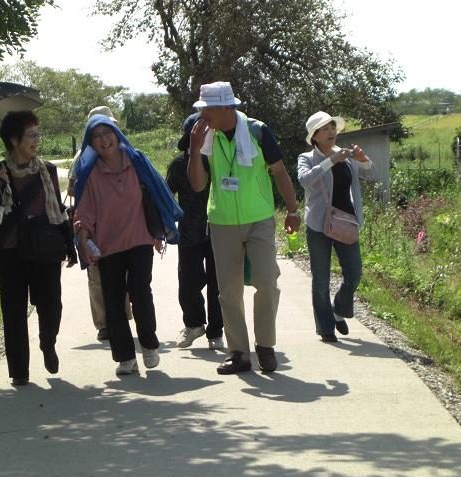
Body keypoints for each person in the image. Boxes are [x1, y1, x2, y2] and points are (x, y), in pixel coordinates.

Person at [187, 81, 301, 374]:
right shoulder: (205, 137)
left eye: (208, 109)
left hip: (259, 218)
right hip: (222, 220)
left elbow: (279, 172)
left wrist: (292, 210)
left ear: (226, 107)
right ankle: (238, 352)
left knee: (265, 280)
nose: (203, 115)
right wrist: (194, 149)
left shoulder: (257, 131)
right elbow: (198, 184)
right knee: (228, 290)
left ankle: (265, 346)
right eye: (201, 109)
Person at [73, 114, 183, 375]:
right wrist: (84, 237)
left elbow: (157, 193)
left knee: (140, 293)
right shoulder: (89, 174)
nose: (103, 140)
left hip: (139, 240)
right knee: (113, 301)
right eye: (96, 136)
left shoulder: (137, 161)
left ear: (116, 134)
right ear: (91, 143)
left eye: (106, 133)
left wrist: (160, 230)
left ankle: (149, 345)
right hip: (107, 246)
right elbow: (84, 211)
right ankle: (125, 357)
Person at [0, 110, 77, 386]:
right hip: (10, 250)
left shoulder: (47, 170)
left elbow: (56, 209)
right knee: (13, 311)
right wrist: (5, 195)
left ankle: (48, 343)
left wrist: (68, 244)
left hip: (44, 247)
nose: (37, 139)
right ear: (14, 140)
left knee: (51, 305)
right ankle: (19, 371)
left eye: (38, 133)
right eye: (32, 134)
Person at [296, 111, 374, 342]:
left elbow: (370, 171)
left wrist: (362, 158)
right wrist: (331, 161)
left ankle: (338, 311)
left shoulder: (346, 155)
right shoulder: (307, 157)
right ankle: (325, 328)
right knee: (321, 279)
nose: (331, 132)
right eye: (325, 129)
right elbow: (305, 180)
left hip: (346, 221)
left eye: (333, 127)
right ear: (315, 136)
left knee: (354, 272)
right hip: (318, 224)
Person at [67, 105, 131, 342]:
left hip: (121, 225)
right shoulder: (82, 156)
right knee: (96, 275)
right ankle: (104, 323)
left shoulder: (126, 152)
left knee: (121, 272)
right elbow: (73, 189)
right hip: (92, 225)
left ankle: (121, 316)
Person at [167, 113, 224, 349]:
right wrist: (163, 227)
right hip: (189, 232)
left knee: (217, 283)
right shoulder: (179, 164)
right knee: (188, 282)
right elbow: (166, 196)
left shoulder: (219, 161)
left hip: (219, 230)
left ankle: (215, 331)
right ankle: (193, 325)